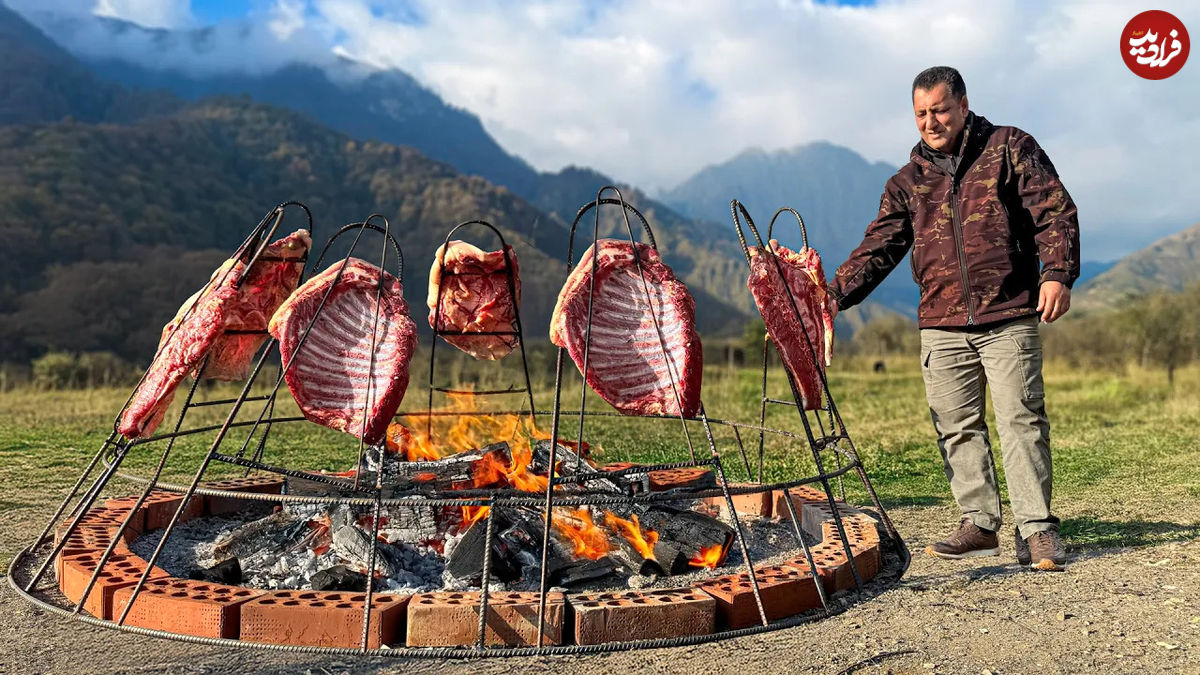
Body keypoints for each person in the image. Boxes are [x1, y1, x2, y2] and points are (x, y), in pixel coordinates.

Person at [827, 66, 1080, 570]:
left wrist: (1057, 273)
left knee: (1021, 420)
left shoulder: (1010, 147)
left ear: (963, 104)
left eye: (939, 109)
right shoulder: (906, 182)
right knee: (956, 426)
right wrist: (831, 297)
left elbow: (1054, 210)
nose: (930, 121)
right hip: (940, 321)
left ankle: (1036, 531)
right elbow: (879, 248)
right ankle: (979, 523)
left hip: (1007, 310)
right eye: (920, 113)